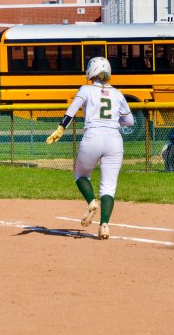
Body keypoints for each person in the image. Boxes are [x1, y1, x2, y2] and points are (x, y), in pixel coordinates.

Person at [45, 57, 134, 239]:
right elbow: (130, 121)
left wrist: (61, 127)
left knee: (81, 175)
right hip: (114, 139)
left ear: (90, 72)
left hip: (93, 136)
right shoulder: (117, 93)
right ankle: (104, 226)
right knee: (108, 188)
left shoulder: (86, 89)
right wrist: (117, 120)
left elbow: (72, 110)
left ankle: (91, 201)